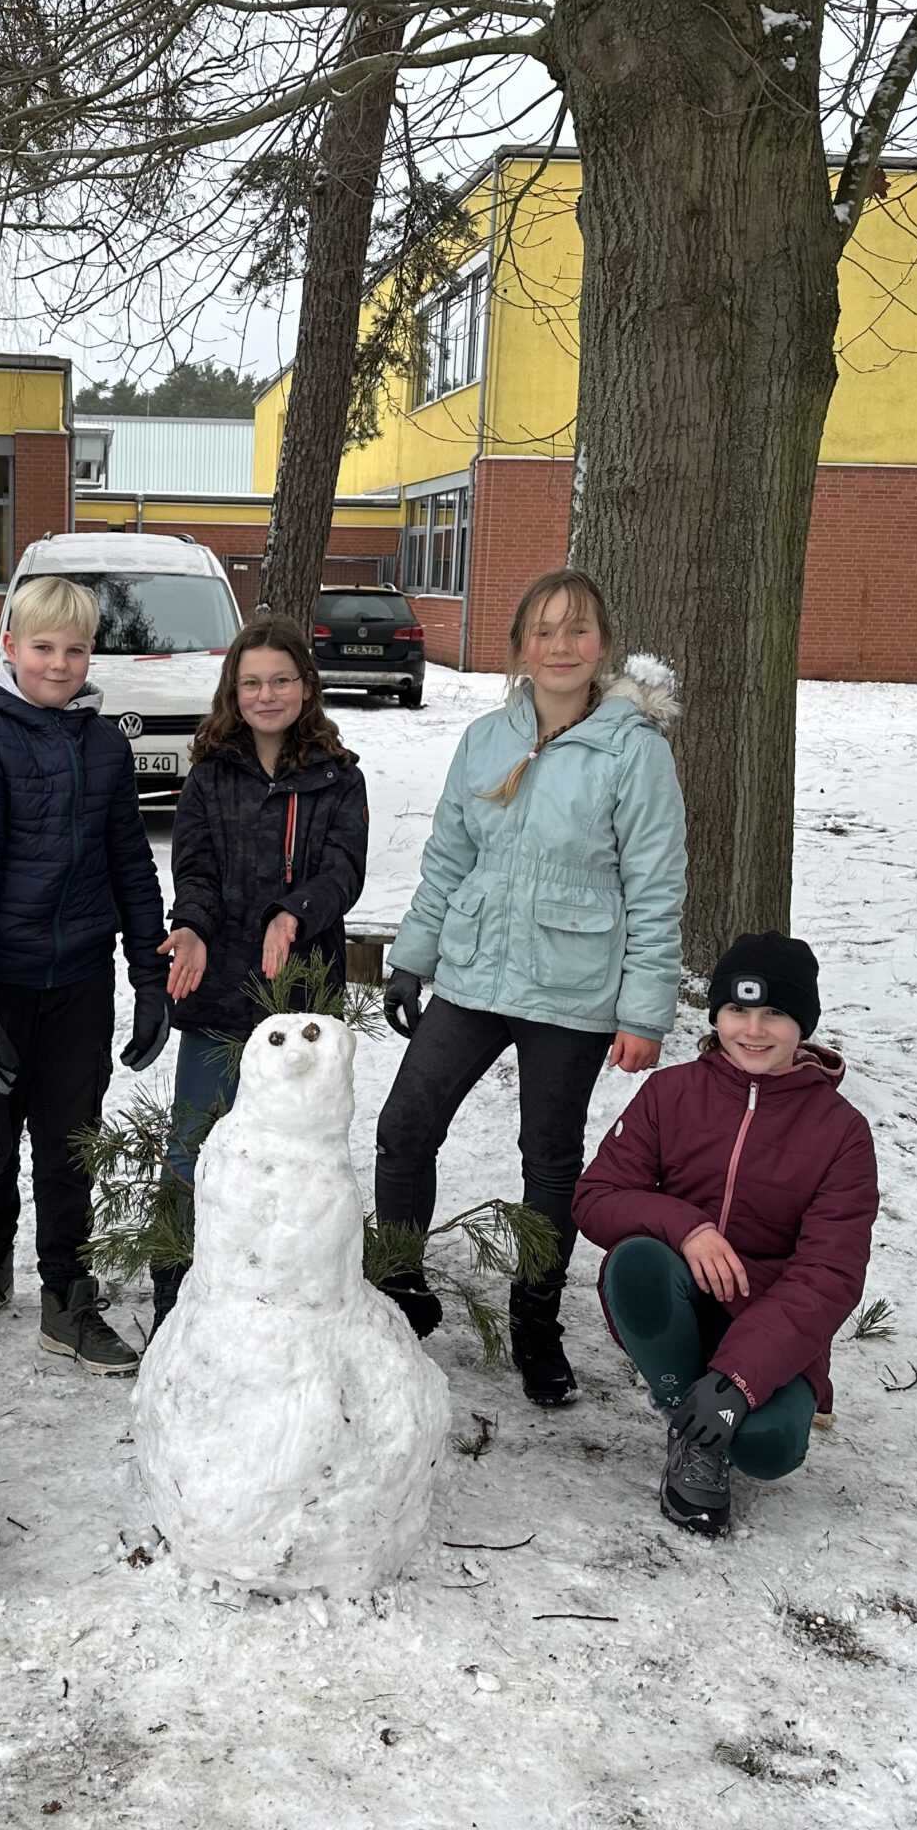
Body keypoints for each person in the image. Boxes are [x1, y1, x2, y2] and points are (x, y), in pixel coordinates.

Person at [374, 568, 686, 1409]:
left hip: (573, 986)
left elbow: (656, 888)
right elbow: (448, 857)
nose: (560, 646)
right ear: (519, 647)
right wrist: (413, 957)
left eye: (578, 629)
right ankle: (398, 1289)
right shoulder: (486, 738)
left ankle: (536, 1324)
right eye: (543, 631)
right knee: (404, 1128)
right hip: (475, 972)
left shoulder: (634, 752)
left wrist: (643, 1011)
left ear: (603, 645)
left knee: (549, 1160)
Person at [0, 575, 172, 1374]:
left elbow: (130, 862)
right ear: (9, 648)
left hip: (77, 979)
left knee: (72, 1142)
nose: (60, 664)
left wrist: (148, 976)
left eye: (76, 649)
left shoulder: (104, 744)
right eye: (42, 648)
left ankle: (67, 1294)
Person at [572, 934, 878, 1535]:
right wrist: (688, 1229)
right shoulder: (670, 1094)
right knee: (636, 1261)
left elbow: (829, 1275)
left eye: (775, 1013)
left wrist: (739, 1380)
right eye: (738, 1009)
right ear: (717, 1014)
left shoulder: (842, 1132)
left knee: (769, 1447)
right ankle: (691, 1429)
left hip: (772, 1320)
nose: (753, 1031)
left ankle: (720, 1401)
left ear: (803, 1023)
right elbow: (596, 1197)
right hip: (680, 1295)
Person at [154, 617, 368, 1319]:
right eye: (252, 683)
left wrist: (292, 914)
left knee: (296, 1147)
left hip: (300, 994)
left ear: (306, 686)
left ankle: (285, 1283)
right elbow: (195, 869)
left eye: (280, 680)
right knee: (194, 1141)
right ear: (233, 691)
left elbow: (343, 871)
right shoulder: (210, 775)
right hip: (217, 986)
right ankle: (173, 1286)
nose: (266, 695)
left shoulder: (339, 778)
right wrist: (192, 926)